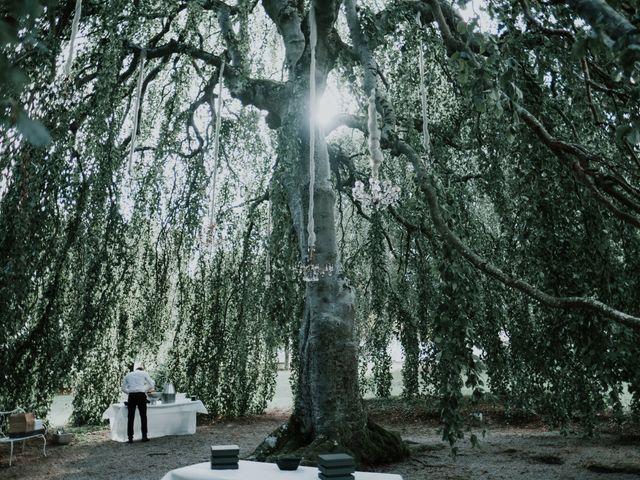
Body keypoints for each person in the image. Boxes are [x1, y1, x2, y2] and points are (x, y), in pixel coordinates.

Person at [121, 364, 155, 443]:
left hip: (132, 396)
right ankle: (144, 436)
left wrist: (130, 392)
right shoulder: (144, 373)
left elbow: (123, 388)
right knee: (143, 416)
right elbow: (151, 385)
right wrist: (144, 390)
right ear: (142, 370)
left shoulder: (128, 375)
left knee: (130, 417)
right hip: (141, 395)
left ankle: (130, 438)